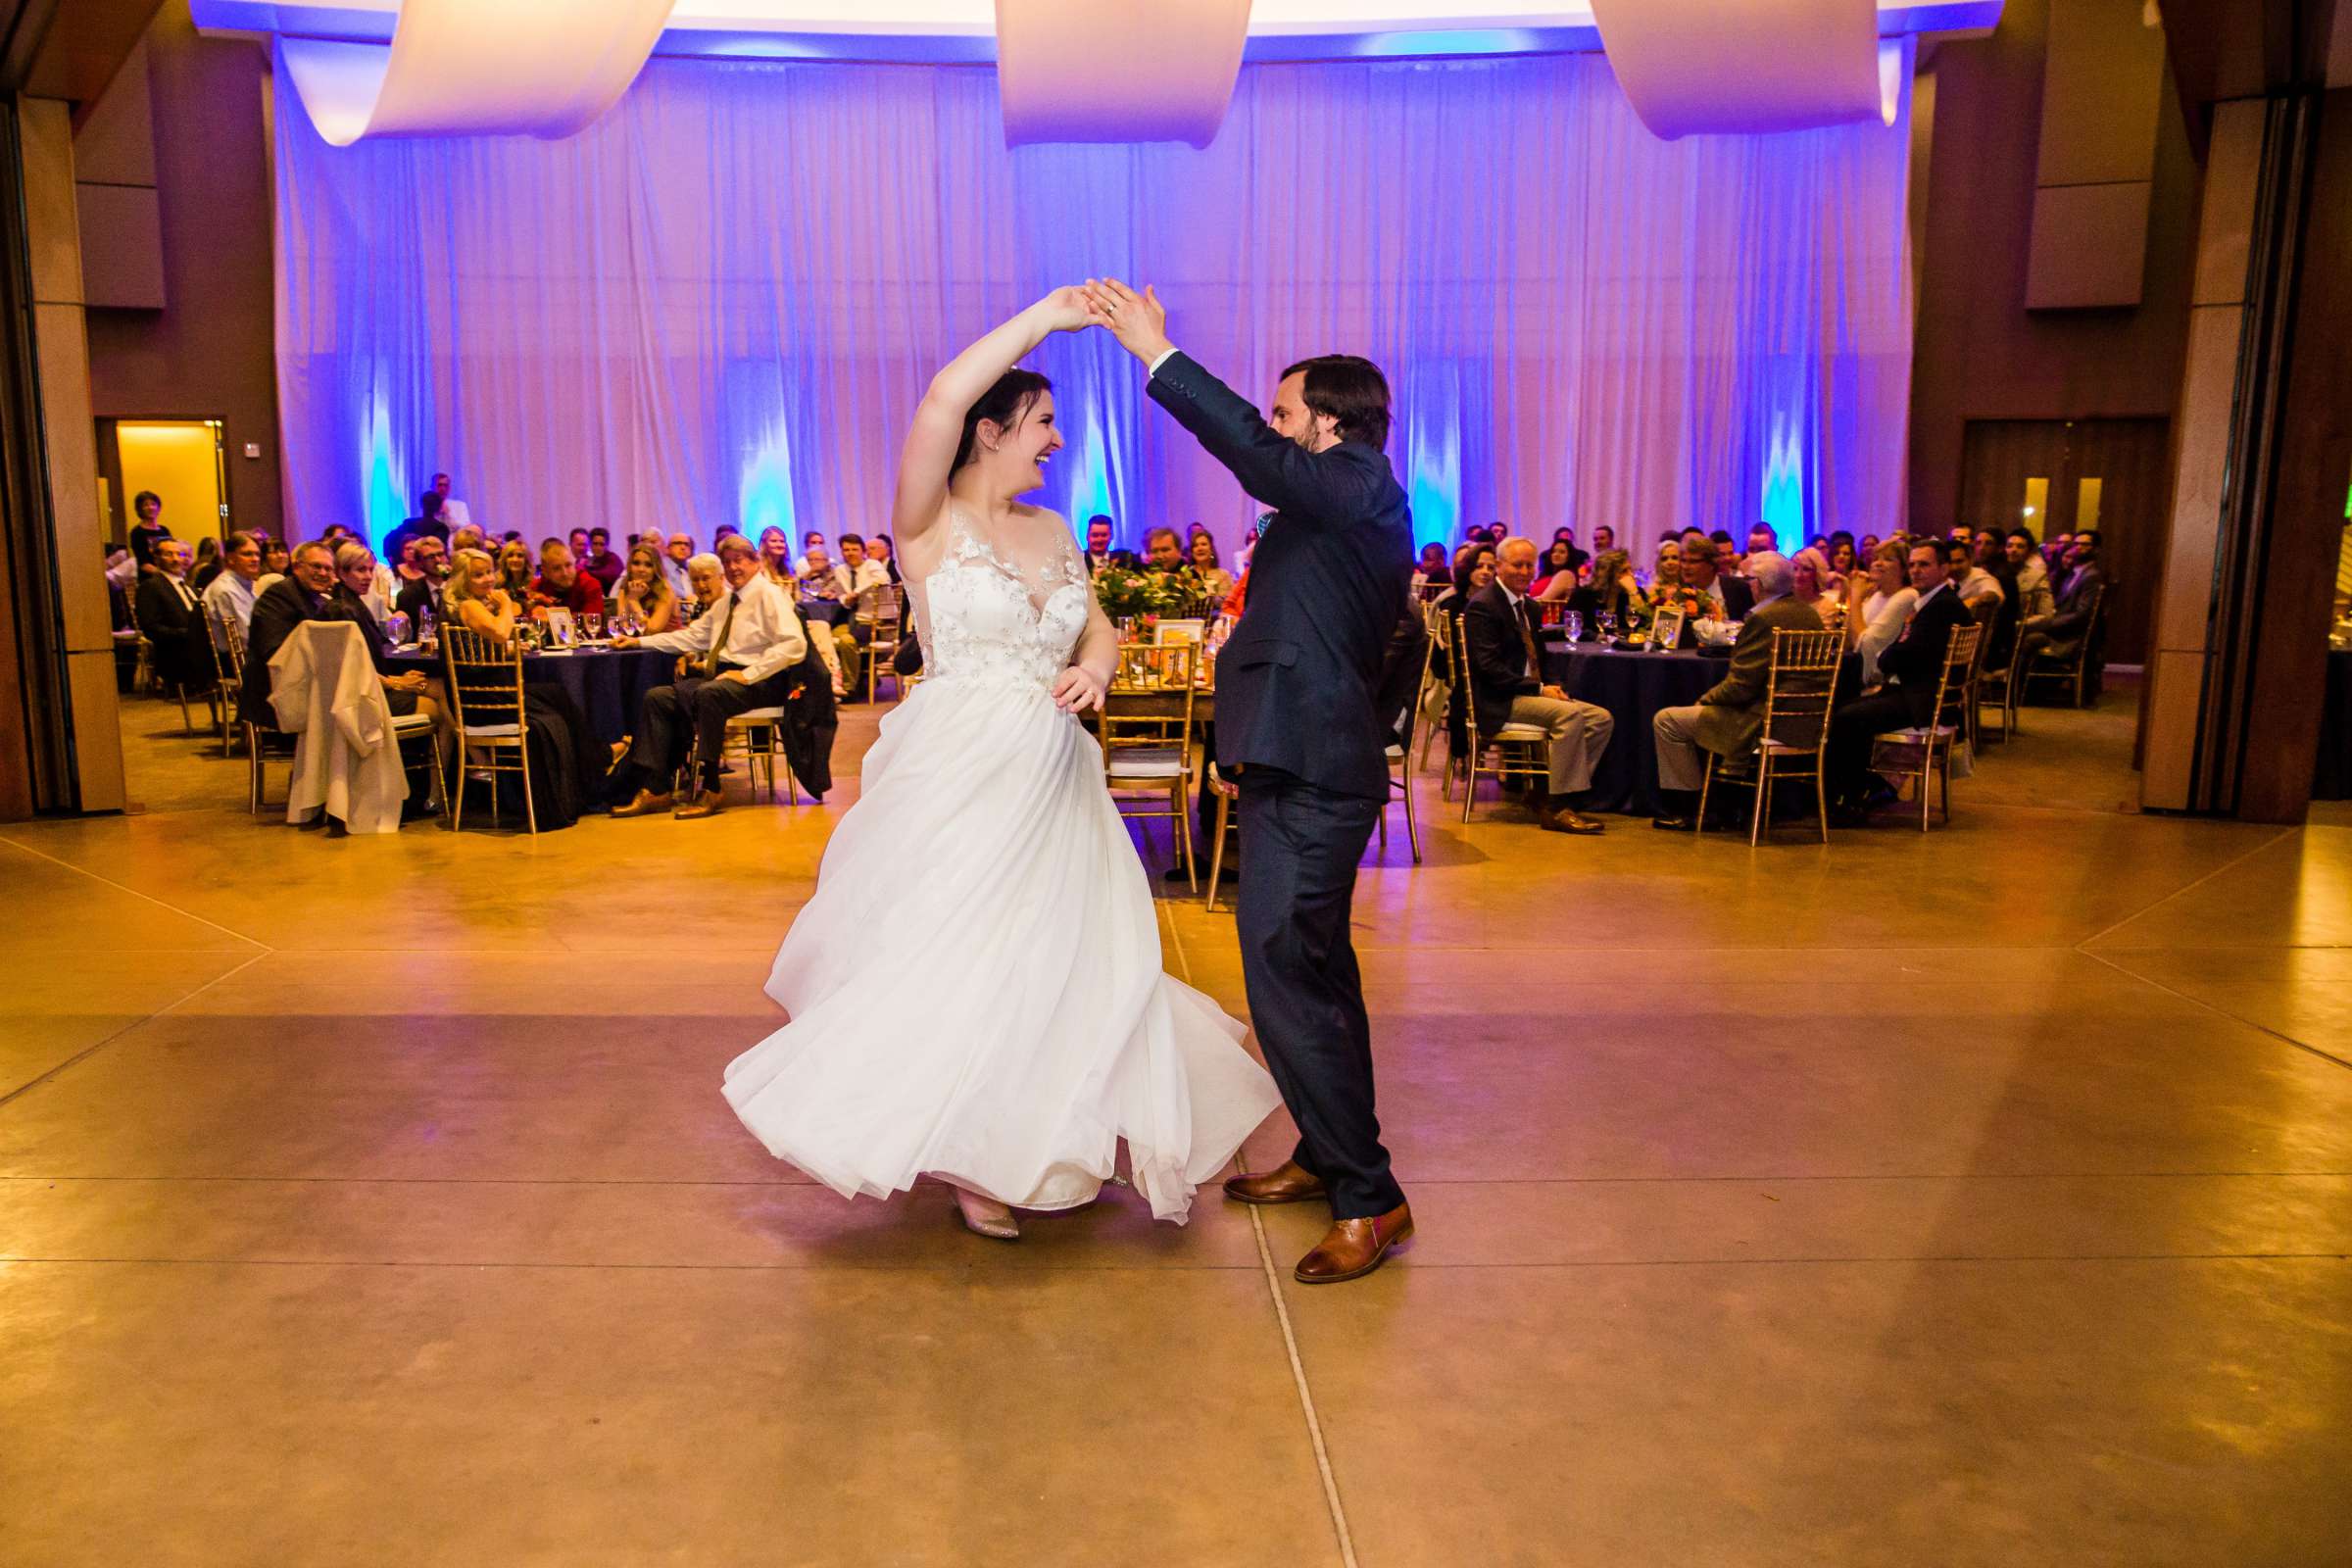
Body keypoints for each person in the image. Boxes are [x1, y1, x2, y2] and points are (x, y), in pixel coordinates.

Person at [719, 287, 1279, 1247]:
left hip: (1055, 773)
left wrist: (1095, 672)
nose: (1057, 440)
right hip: (958, 770)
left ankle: (1048, 1133)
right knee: (963, 958)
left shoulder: (1058, 532)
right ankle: (975, 1155)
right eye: (1045, 422)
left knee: (1064, 960)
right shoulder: (926, 523)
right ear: (990, 429)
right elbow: (940, 397)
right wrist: (1046, 316)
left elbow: (1094, 627)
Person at [1096, 275, 1415, 1283]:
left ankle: (1372, 1195)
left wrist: (1160, 356)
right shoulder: (1332, 506)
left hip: (1320, 773)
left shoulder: (1360, 479)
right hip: (1297, 761)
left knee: (1283, 977)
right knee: (1315, 976)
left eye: (1286, 414)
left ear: (1327, 425)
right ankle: (1329, 1153)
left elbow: (1257, 454)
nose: (1274, 431)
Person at [606, 534, 811, 819]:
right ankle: (656, 787)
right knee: (657, 697)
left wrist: (749, 674)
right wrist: (639, 642)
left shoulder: (770, 596)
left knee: (708, 693)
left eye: (739, 561)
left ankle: (711, 785)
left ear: (755, 563)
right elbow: (692, 636)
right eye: (727, 563)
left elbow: (795, 645)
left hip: (764, 680)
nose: (733, 568)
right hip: (726, 677)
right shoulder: (728, 602)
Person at [1649, 553, 1824, 829]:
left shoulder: (1764, 619)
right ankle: (1727, 804)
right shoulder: (1809, 614)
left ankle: (1690, 808)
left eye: (1750, 579)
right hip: (1808, 720)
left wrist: (1704, 699)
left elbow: (1741, 686)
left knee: (1668, 720)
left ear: (1760, 584)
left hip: (1763, 721)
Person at [1462, 538, 1613, 835]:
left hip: (1529, 692)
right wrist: (1539, 689)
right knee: (1569, 716)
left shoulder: (1529, 606)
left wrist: (1554, 686)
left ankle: (1550, 793)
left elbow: (1543, 658)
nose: (1524, 571)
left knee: (1600, 718)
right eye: (1517, 564)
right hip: (1500, 699)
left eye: (1529, 565)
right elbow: (1488, 669)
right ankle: (1557, 809)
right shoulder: (1483, 606)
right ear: (1499, 566)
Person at [1826, 541, 1971, 819]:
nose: (1916, 570)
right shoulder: (1934, 602)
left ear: (1943, 568)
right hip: (1919, 693)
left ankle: (1843, 800)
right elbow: (1906, 651)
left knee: (1846, 716)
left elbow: (1905, 654)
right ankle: (1854, 792)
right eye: (1914, 564)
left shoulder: (1942, 607)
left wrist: (1887, 657)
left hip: (1922, 700)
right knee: (1848, 706)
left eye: (1924, 564)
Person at [325, 542, 439, 722]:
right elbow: (351, 669)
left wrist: (396, 679)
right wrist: (396, 682)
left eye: (371, 570)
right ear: (341, 573)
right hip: (364, 697)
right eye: (361, 570)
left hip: (374, 686)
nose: (368, 576)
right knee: (435, 706)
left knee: (440, 687)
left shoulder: (353, 603)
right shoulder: (343, 610)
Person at [240, 540, 336, 727]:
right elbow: (276, 651)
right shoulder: (279, 596)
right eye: (316, 566)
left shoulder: (319, 600)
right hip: (275, 696)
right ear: (297, 567)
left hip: (307, 688)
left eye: (328, 569)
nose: (323, 573)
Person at [2015, 529, 2107, 687]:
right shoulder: (2075, 572)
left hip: (2070, 637)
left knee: (2025, 634)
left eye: (2085, 544)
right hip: (2063, 629)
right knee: (2022, 629)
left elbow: (2082, 614)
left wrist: (2049, 623)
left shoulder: (2091, 575)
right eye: (2077, 544)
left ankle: (2019, 688)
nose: (2079, 548)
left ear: (2096, 549)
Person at [133, 538, 212, 695]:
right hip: (176, 652)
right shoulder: (151, 587)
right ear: (156, 558)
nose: (176, 559)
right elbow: (150, 627)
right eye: (169, 554)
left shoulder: (189, 587)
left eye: (180, 554)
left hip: (202, 646)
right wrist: (188, 634)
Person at [1845, 538, 1918, 687]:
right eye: (1875, 559)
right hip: (1857, 669)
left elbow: (1866, 644)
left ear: (1904, 569)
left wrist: (1856, 598)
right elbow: (1848, 636)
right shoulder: (1877, 595)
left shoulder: (1907, 596)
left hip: (1884, 680)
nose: (1878, 563)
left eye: (1888, 559)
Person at [201, 530, 269, 640]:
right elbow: (245, 636)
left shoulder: (244, 584)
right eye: (247, 554)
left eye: (257, 554)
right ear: (230, 558)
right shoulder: (226, 589)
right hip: (235, 655)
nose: (255, 559)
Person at [607, 544, 679, 633]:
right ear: (630, 566)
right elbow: (624, 627)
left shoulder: (665, 591)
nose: (641, 569)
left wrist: (633, 600)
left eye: (648, 565)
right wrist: (631, 596)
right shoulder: (626, 588)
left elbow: (652, 630)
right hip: (638, 643)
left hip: (665, 644)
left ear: (656, 568)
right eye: (636, 563)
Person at [1681, 539, 1756, 620]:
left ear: (1711, 564)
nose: (1685, 567)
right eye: (1683, 561)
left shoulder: (1739, 589)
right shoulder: (1680, 594)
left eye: (1693, 562)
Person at [529, 541, 605, 621]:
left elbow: (591, 624)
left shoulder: (590, 585)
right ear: (545, 572)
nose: (565, 573)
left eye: (568, 565)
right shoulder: (538, 586)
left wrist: (550, 608)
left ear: (575, 564)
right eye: (556, 568)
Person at [393, 536, 450, 625]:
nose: (438, 560)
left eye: (440, 554)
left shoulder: (458, 589)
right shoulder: (407, 596)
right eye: (431, 557)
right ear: (420, 563)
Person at [2007, 526, 2055, 620]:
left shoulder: (2037, 577)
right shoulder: (1996, 573)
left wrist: (2017, 626)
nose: (2013, 550)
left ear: (2029, 551)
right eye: (2009, 546)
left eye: (2020, 546)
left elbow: (2046, 615)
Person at [1431, 545, 1494, 615]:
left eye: (1491, 568)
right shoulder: (1451, 604)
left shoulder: (1498, 603)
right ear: (1467, 569)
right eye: (1479, 566)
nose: (1486, 572)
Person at [127, 491, 172, 572]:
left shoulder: (164, 530)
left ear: (158, 507)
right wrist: (163, 574)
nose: (150, 507)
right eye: (146, 505)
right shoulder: (137, 532)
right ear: (140, 509)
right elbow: (143, 563)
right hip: (149, 577)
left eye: (153, 504)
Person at [1187, 530, 1237, 601]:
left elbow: (1227, 603)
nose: (1199, 548)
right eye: (1195, 545)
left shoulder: (1223, 575)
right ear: (1192, 552)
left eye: (1204, 544)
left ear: (1211, 549)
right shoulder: (1186, 575)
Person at [579, 527, 624, 593]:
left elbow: (606, 576)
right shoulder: (588, 560)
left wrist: (585, 570)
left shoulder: (613, 559)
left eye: (601, 544)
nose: (598, 547)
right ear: (590, 544)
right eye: (595, 544)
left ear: (607, 545)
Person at [662, 531, 697, 599]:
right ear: (667, 549)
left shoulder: (693, 568)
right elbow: (665, 588)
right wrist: (686, 597)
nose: (683, 547)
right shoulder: (661, 566)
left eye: (686, 544)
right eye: (678, 543)